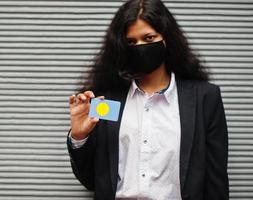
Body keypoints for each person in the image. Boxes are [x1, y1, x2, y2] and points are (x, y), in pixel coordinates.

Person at [66, 0, 229, 199]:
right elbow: (91, 179)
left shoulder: (203, 98)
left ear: (167, 38)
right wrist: (79, 137)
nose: (140, 47)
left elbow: (215, 182)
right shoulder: (108, 100)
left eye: (149, 37)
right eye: (131, 42)